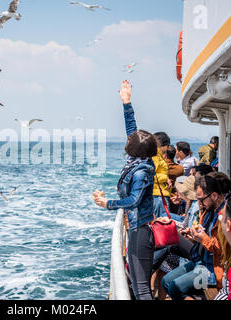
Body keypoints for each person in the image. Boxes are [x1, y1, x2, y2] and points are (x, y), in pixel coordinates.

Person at [93, 80, 157, 300]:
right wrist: (126, 102)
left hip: (140, 231)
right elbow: (132, 129)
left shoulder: (141, 171)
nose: (127, 141)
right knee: (139, 285)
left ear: (135, 148)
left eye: (130, 141)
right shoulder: (138, 158)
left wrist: (108, 203)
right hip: (136, 228)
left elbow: (133, 200)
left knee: (141, 288)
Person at [160, 174, 225, 300]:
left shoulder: (223, 218)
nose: (199, 203)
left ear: (214, 196)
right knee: (166, 281)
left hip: (211, 269)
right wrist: (192, 236)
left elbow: (222, 250)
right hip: (200, 261)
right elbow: (203, 239)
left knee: (174, 287)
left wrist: (203, 239)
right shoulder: (208, 211)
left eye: (201, 200)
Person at [152, 132, 171, 218]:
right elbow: (150, 175)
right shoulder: (155, 155)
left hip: (159, 195)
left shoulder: (157, 155)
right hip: (158, 196)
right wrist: (165, 178)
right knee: (161, 225)